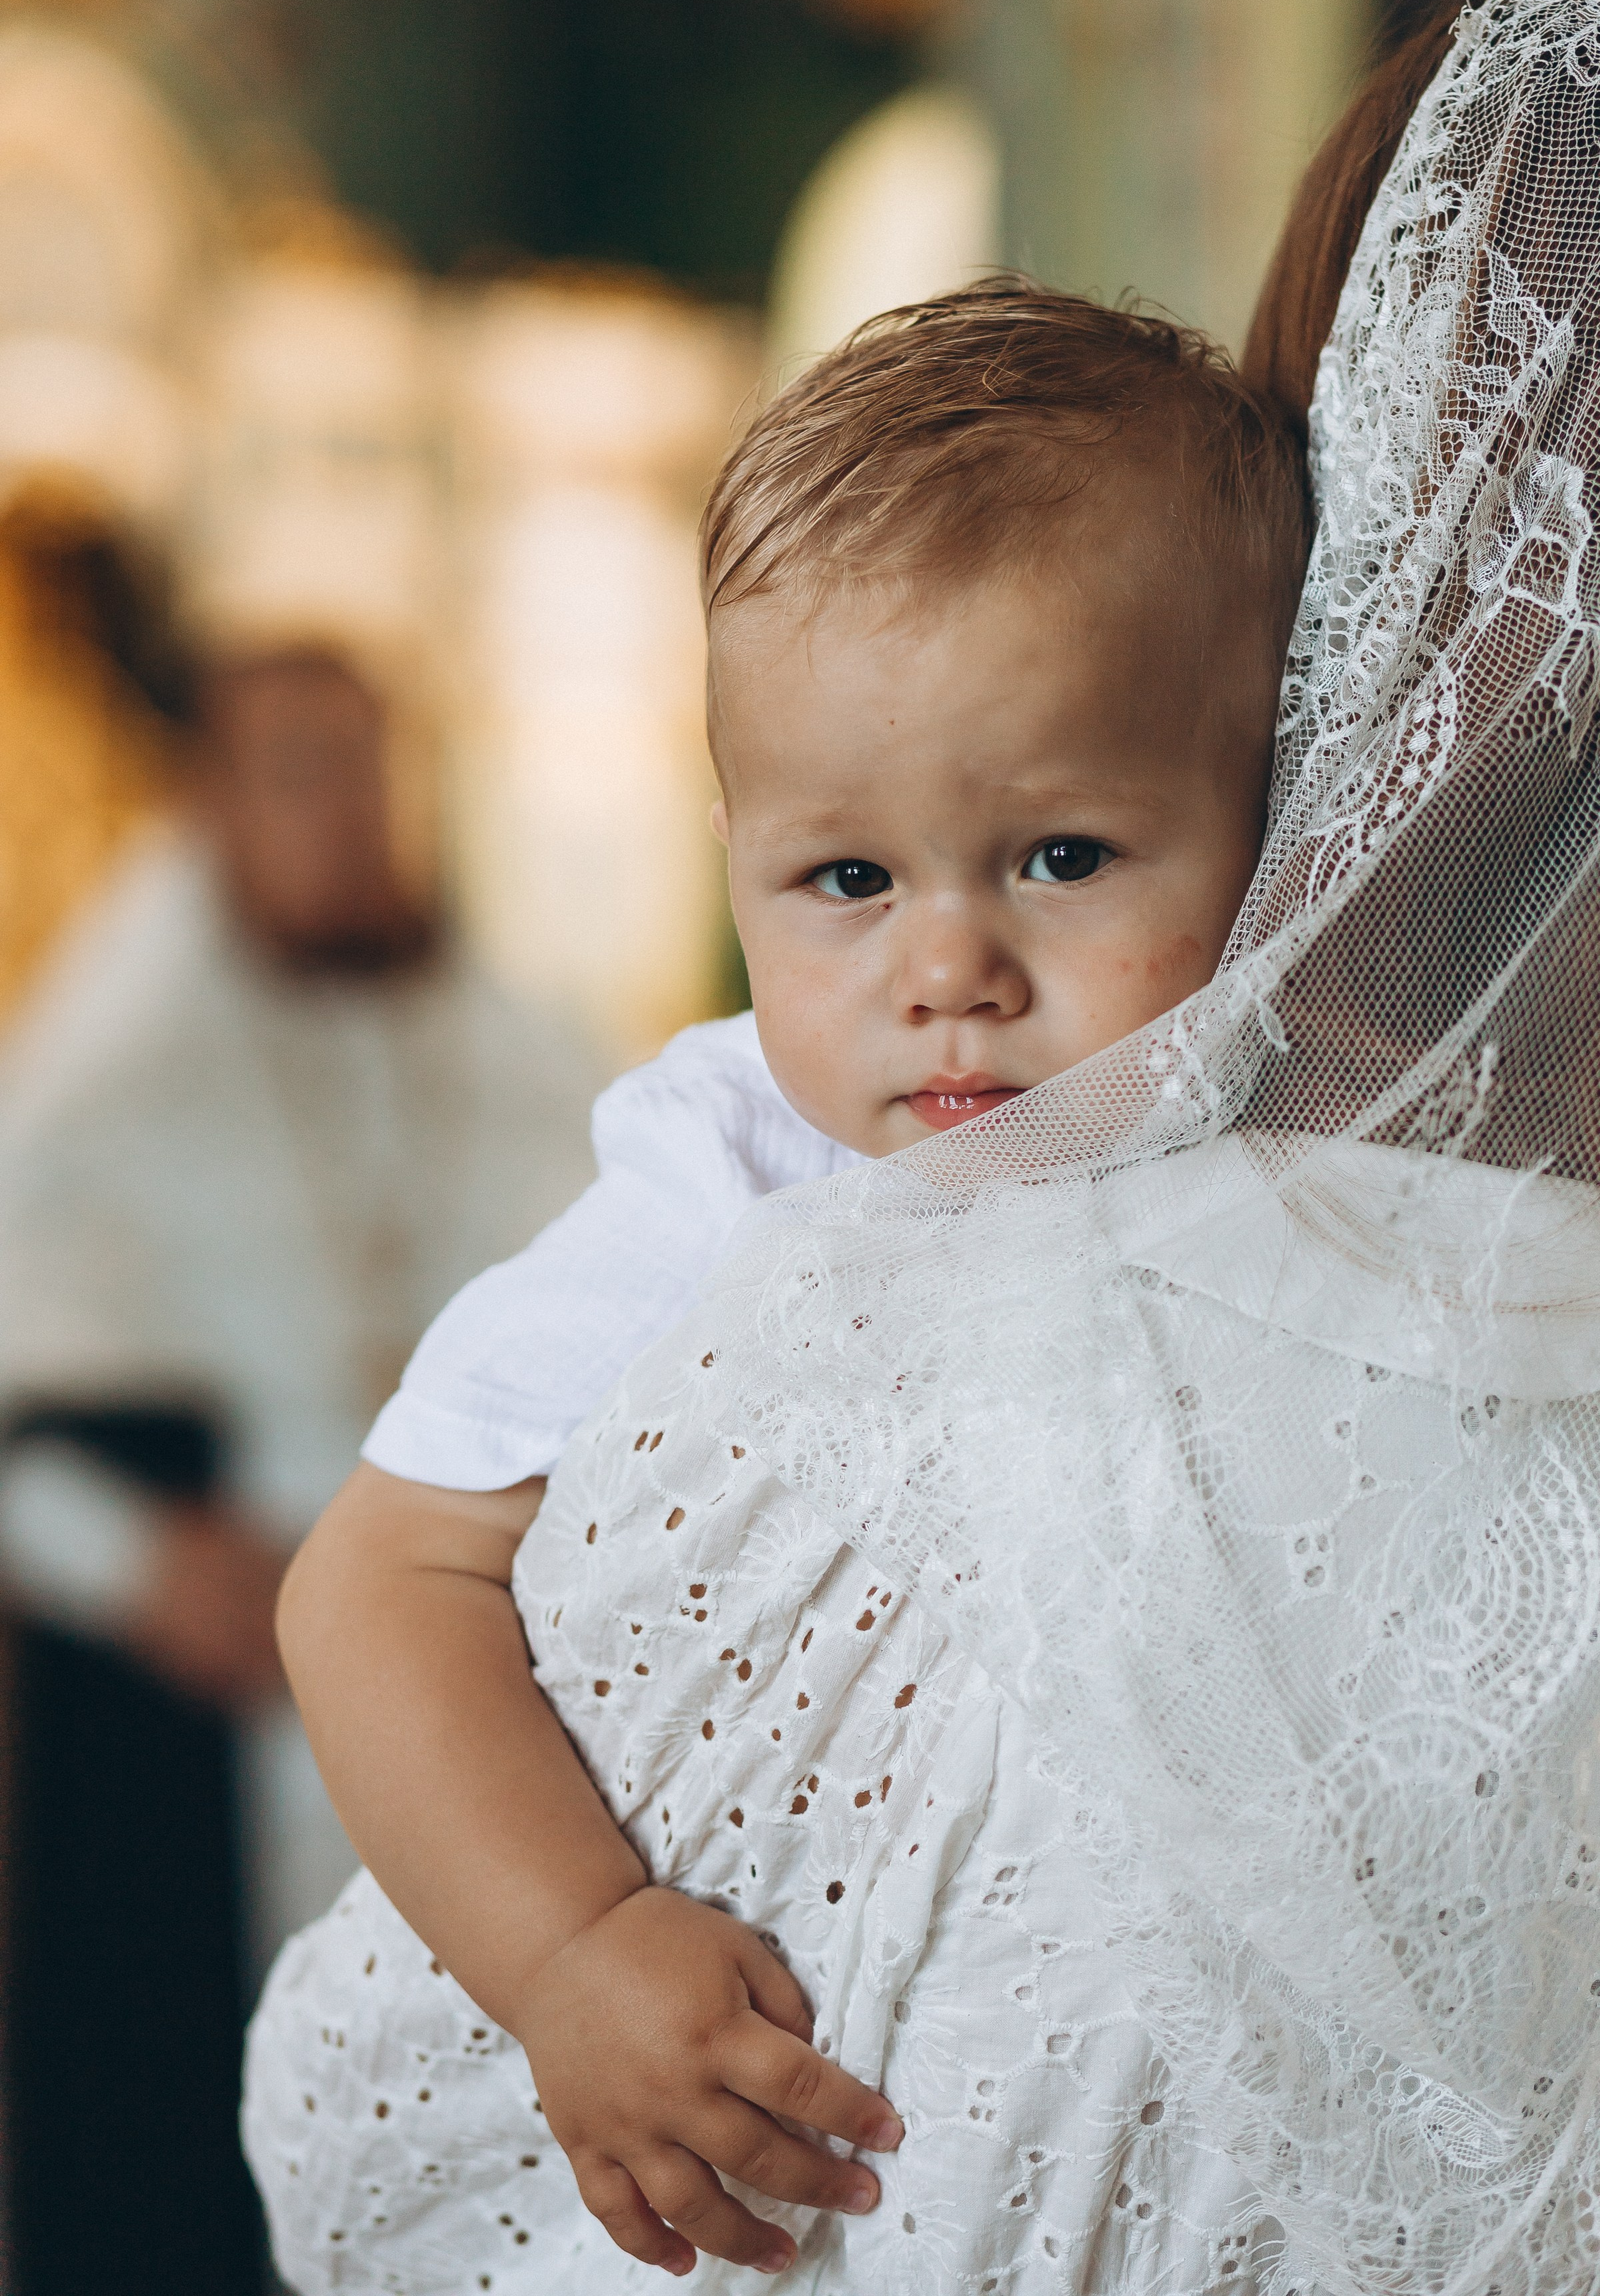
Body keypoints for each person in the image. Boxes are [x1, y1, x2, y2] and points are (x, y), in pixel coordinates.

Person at [247, 270, 1309, 2292]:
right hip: (716, 2086)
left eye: (1067, 855)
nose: (947, 971)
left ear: (1271, 824)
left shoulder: (1267, 1153)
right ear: (735, 854)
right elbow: (373, 1583)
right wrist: (572, 1949)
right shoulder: (728, 1163)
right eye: (847, 881)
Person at [0, 642, 599, 2293]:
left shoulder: (537, 1061)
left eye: (370, 769)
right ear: (213, 807)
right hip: (226, 1730)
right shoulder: (109, 1088)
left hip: (514, 1682)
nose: (344, 816)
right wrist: (138, 1567)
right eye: (296, 773)